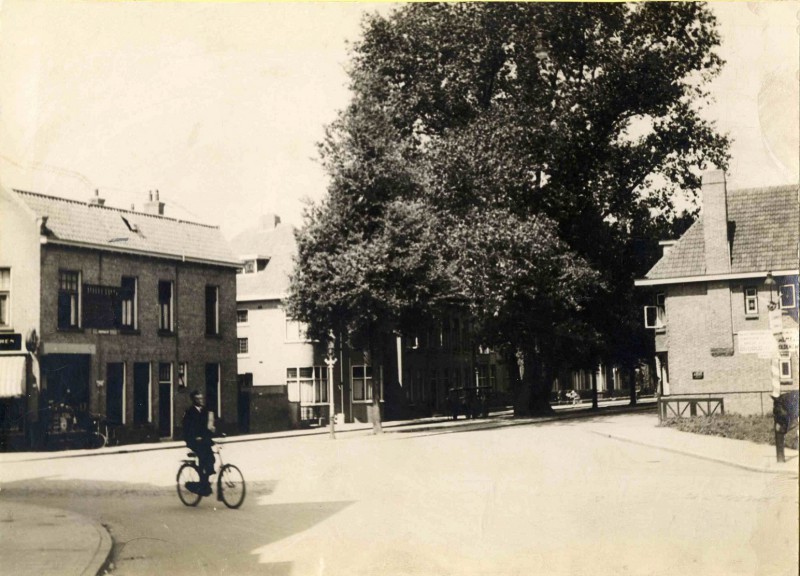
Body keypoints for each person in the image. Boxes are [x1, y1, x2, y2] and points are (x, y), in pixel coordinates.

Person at [182, 390, 216, 495]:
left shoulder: (204, 411)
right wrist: (194, 437)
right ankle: (203, 485)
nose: (201, 400)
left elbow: (209, 425)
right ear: (194, 400)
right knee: (203, 458)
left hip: (204, 440)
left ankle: (204, 482)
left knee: (211, 459)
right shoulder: (189, 412)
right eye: (198, 399)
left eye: (202, 398)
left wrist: (214, 430)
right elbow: (187, 427)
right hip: (193, 441)